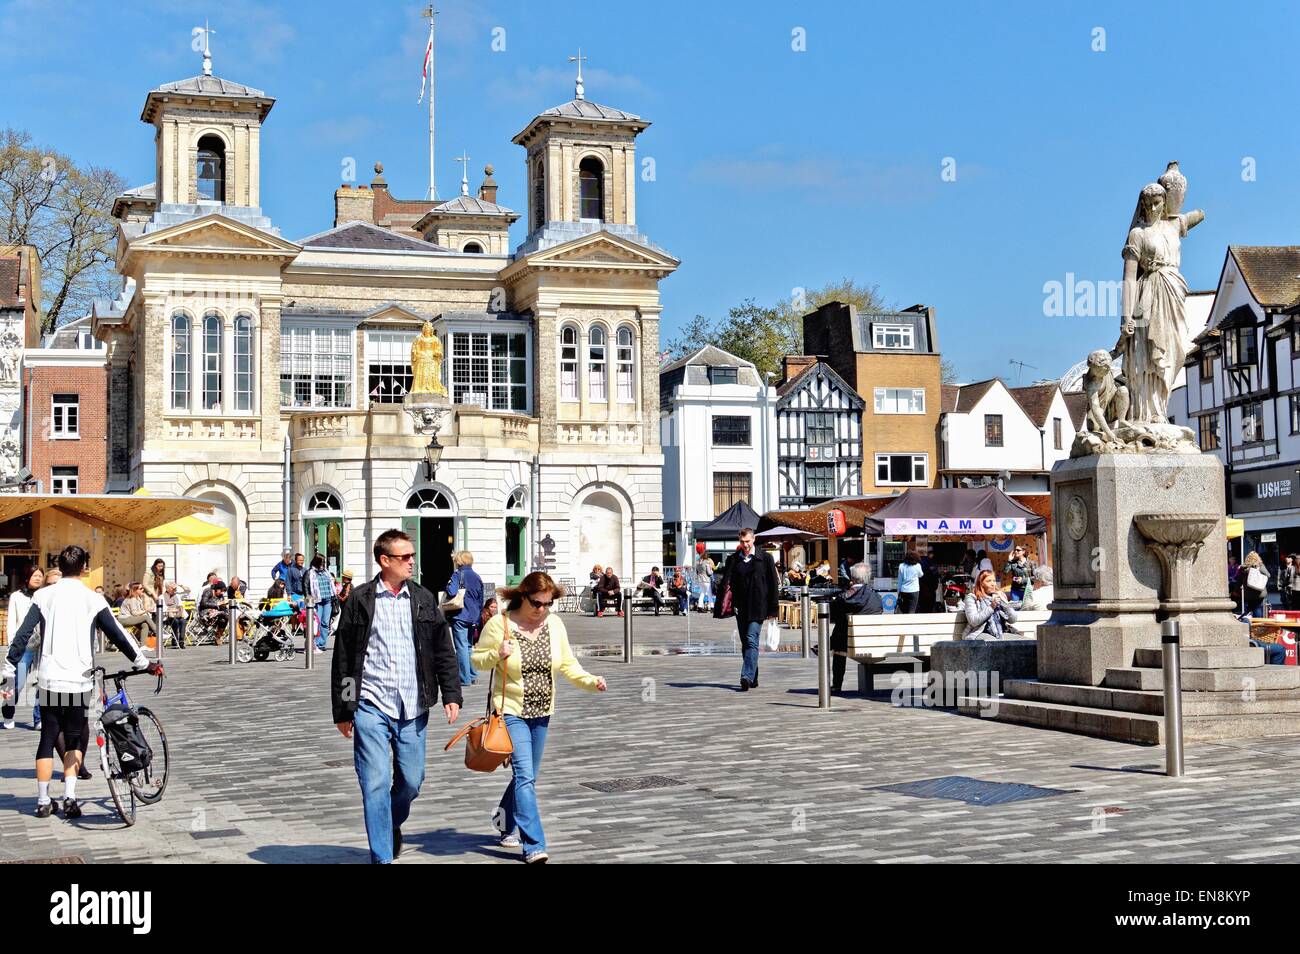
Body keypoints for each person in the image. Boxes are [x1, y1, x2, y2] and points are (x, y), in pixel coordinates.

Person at [331, 529, 462, 865]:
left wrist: (451, 693)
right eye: (405, 557)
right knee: (374, 782)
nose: (412, 562)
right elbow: (344, 657)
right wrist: (344, 709)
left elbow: (442, 649)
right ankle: (382, 857)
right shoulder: (359, 600)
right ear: (384, 560)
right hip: (370, 705)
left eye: (412, 556)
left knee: (412, 781)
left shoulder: (423, 598)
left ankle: (389, 821)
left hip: (414, 704)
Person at [1, 545, 157, 818]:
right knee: (74, 737)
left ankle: (42, 800)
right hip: (79, 680)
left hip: (50, 678)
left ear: (59, 566)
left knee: (47, 737)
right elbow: (119, 635)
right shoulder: (92, 599)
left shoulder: (43, 596)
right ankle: (70, 797)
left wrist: (8, 666)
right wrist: (143, 663)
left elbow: (22, 635)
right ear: (85, 566)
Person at [472, 572, 606, 863]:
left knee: (527, 775)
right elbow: (476, 659)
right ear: (523, 596)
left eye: (548, 604)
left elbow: (568, 664)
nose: (542, 609)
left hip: (543, 710)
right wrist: (497, 652)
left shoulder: (554, 625)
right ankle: (533, 845)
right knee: (525, 776)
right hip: (511, 711)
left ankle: (504, 821)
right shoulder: (501, 624)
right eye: (537, 603)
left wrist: (590, 681)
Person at [714, 527, 779, 691]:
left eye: (748, 541)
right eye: (742, 542)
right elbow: (726, 583)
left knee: (751, 639)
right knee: (746, 643)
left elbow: (773, 585)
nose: (745, 544)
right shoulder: (734, 559)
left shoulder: (765, 558)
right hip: (740, 607)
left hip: (759, 607)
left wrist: (773, 610)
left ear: (754, 539)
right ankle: (753, 677)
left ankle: (746, 676)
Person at [829, 563, 882, 691]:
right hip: (873, 642)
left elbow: (833, 617)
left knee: (840, 634)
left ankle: (836, 684)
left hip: (846, 643)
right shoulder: (876, 597)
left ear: (852, 578)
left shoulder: (843, 597)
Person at [2, 565, 43, 729]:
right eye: (35, 575)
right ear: (27, 577)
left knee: (42, 681)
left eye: (40, 575)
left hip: (42, 644)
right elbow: (11, 623)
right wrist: (13, 646)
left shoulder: (45, 596)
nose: (38, 578)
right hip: (23, 646)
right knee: (17, 683)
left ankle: (38, 718)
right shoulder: (16, 597)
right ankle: (8, 712)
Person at [444, 550, 484, 686]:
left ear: (458, 561)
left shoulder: (457, 574)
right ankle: (472, 674)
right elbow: (481, 599)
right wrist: (478, 617)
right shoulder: (477, 576)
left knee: (461, 646)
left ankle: (464, 678)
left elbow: (452, 591)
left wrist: (449, 583)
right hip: (473, 616)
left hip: (460, 614)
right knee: (468, 646)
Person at [962, 570, 1020, 640]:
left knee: (1026, 642)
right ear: (981, 583)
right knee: (994, 644)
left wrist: (1005, 604)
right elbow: (973, 621)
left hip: (1001, 632)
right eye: (989, 581)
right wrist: (991, 607)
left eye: (994, 581)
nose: (993, 584)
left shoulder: (998, 595)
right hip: (979, 633)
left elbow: (1013, 620)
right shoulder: (972, 597)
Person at [309, 555, 337, 654]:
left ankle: (322, 643)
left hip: (328, 599)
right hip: (318, 600)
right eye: (321, 562)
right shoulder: (311, 573)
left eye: (324, 563)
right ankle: (315, 643)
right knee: (318, 622)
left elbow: (331, 584)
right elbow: (310, 586)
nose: (323, 564)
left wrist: (334, 594)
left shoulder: (326, 572)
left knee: (325, 622)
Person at [1238, 551, 1269, 619]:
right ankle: (1257, 625)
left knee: (1250, 608)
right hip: (1259, 592)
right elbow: (1268, 575)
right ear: (1257, 558)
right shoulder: (1259, 565)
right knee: (1257, 608)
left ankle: (1244, 618)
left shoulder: (1243, 568)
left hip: (1248, 593)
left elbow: (1239, 580)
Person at [162, 581, 188, 649]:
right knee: (175, 621)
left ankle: (181, 641)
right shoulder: (162, 597)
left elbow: (188, 591)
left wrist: (180, 585)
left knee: (183, 621)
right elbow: (164, 609)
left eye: (175, 588)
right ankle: (174, 640)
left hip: (178, 615)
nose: (175, 590)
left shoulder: (177, 595)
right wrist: (174, 610)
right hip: (167, 617)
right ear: (167, 589)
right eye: (173, 588)